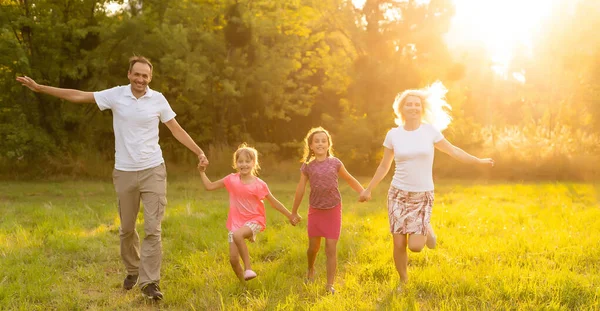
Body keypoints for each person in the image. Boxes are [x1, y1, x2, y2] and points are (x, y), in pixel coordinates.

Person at [16, 56, 208, 300]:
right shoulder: (116, 95)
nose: (140, 79)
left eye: (145, 76)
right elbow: (79, 95)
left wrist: (199, 151)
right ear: (129, 74)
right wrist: (40, 88)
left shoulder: (158, 99)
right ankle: (133, 270)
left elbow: (176, 129)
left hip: (153, 171)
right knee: (127, 229)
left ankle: (150, 283)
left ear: (150, 78)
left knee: (153, 229)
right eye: (136, 74)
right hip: (125, 172)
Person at [358, 81, 494, 288]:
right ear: (401, 108)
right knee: (398, 242)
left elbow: (453, 151)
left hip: (422, 194)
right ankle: (403, 280)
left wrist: (478, 161)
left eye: (417, 104)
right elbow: (384, 165)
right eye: (409, 104)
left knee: (416, 247)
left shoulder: (430, 131)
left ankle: (427, 228)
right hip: (398, 193)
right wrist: (369, 189)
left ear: (422, 109)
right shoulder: (393, 134)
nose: (413, 107)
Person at [197, 144, 297, 282]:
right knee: (233, 259)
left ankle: (248, 268)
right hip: (235, 223)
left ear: (254, 163)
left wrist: (290, 215)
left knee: (238, 235)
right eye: (240, 161)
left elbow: (274, 203)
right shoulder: (231, 179)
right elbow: (209, 186)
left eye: (247, 161)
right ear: (236, 163)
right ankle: (243, 284)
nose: (244, 164)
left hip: (255, 220)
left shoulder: (259, 184)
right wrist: (202, 172)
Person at [290, 127, 364, 295]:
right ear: (311, 145)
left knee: (331, 248)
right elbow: (300, 189)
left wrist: (362, 191)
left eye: (324, 141)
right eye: (317, 141)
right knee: (313, 248)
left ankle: (329, 285)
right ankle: (310, 268)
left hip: (333, 210)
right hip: (315, 210)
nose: (320, 143)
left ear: (329, 144)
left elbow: (349, 178)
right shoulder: (307, 166)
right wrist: (294, 212)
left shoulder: (335, 163)